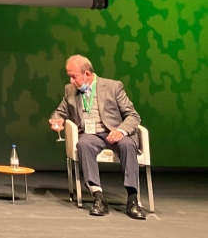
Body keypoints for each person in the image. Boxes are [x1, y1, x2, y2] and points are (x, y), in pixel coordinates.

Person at [49, 54, 145, 219]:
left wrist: (121, 131)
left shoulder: (113, 87)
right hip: (91, 135)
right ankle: (98, 197)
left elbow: (133, 116)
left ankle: (132, 199)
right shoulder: (70, 90)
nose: (71, 81)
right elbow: (60, 111)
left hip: (115, 132)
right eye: (69, 76)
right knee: (83, 144)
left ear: (87, 74)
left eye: (74, 76)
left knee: (127, 145)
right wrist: (56, 119)